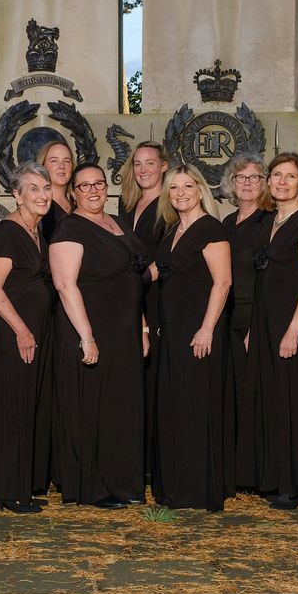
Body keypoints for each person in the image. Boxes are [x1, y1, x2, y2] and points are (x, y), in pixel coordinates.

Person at [51, 164, 148, 508]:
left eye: (99, 184)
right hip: (90, 328)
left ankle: (123, 482)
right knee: (93, 405)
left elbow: (133, 277)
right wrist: (87, 336)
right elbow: (65, 285)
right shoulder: (69, 229)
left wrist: (142, 326)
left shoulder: (116, 222)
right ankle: (93, 487)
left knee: (121, 405)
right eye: (84, 186)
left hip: (123, 330)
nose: (93, 191)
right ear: (73, 192)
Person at [243, 152, 298, 509]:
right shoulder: (268, 222)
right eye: (276, 175)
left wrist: (294, 329)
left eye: (289, 176)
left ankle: (296, 484)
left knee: (294, 401)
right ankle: (274, 477)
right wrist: (252, 328)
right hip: (264, 322)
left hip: (293, 323)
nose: (281, 182)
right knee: (272, 400)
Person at [152, 166, 233, 511]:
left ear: (201, 190)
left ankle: (197, 488)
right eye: (174, 188)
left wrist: (207, 328)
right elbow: (157, 274)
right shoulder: (172, 232)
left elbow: (223, 282)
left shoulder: (211, 229)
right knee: (177, 406)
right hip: (173, 332)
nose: (181, 193)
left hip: (199, 331)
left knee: (196, 406)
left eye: (188, 186)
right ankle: (177, 484)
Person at [0, 162, 56, 513]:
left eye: (46, 188)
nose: (42, 195)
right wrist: (22, 330)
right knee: (13, 408)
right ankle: (8, 491)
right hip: (15, 335)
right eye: (33, 189)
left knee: (31, 406)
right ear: (17, 195)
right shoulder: (7, 232)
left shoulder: (37, 230)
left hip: (36, 331)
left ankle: (23, 483)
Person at [115, 141, 169, 479]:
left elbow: (170, 254)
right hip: (130, 297)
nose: (144, 169)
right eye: (137, 163)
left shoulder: (170, 203)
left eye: (150, 163)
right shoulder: (127, 203)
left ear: (164, 166)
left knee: (155, 376)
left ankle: (155, 462)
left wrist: (138, 279)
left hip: (157, 297)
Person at [220, 152, 267, 491]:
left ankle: (256, 472)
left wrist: (255, 327)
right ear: (231, 185)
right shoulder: (226, 224)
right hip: (228, 317)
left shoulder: (270, 222)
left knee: (254, 396)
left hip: (256, 317)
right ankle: (236, 468)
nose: (247, 183)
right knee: (234, 394)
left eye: (254, 177)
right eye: (241, 178)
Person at [38, 139, 74, 241]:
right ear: (43, 166)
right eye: (54, 160)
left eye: (67, 161)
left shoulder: (78, 204)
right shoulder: (38, 206)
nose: (62, 166)